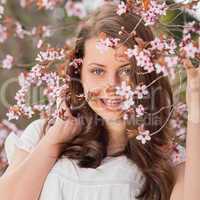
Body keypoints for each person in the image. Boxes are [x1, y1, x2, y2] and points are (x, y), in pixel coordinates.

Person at [1, 2, 199, 200]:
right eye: (97, 71)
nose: (111, 85)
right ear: (79, 74)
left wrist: (196, 106)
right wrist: (53, 142)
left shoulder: (169, 158)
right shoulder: (43, 135)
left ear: (147, 73)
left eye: (126, 70)